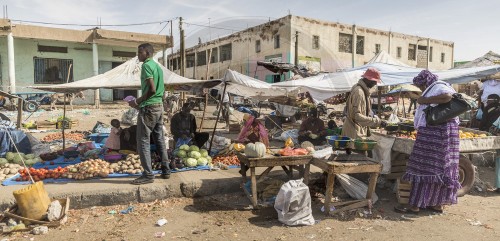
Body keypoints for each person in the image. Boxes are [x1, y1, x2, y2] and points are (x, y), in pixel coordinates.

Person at [395, 70, 461, 214]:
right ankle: (437, 204)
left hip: (435, 132)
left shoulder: (438, 87)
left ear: (425, 82)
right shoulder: (436, 87)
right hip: (443, 132)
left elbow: (447, 97)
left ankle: (415, 206)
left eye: (421, 86)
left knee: (422, 166)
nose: (421, 89)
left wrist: (423, 100)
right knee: (440, 168)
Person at [128, 43, 170, 185]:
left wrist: (137, 101)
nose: (138, 55)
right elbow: (160, 90)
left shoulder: (146, 65)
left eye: (140, 52)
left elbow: (151, 89)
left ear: (147, 53)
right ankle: (166, 170)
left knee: (143, 141)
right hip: (159, 106)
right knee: (159, 139)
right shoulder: (158, 66)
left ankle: (148, 175)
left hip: (149, 107)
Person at [342, 68, 387, 141]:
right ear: (368, 79)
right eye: (374, 81)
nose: (375, 84)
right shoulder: (359, 92)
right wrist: (377, 122)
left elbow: (364, 112)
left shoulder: (362, 90)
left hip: (357, 129)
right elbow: (356, 116)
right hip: (353, 132)